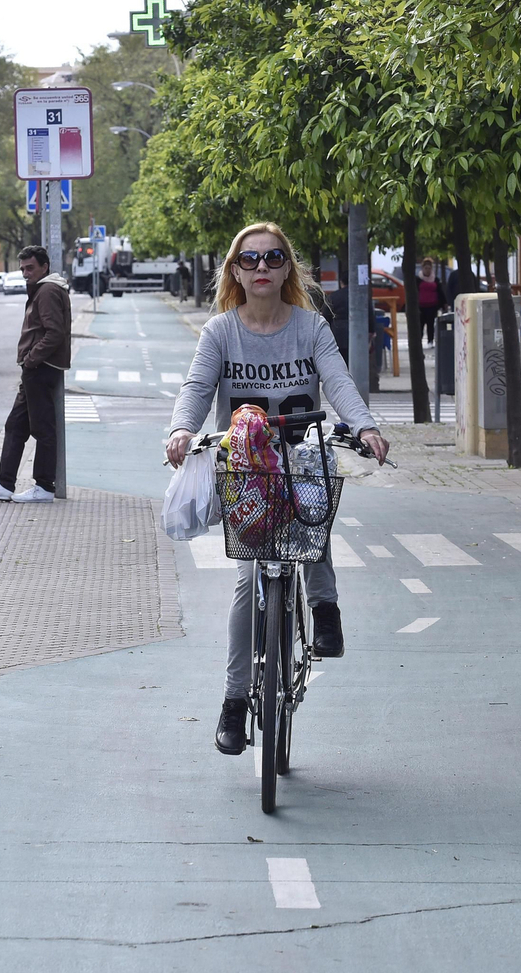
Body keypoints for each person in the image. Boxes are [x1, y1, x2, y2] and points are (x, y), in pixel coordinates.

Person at [166, 222, 389, 756]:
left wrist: (364, 426)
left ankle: (325, 605)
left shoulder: (310, 328)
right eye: (250, 260)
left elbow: (337, 381)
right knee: (247, 584)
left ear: (288, 267)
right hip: (245, 467)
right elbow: (197, 388)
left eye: (272, 258)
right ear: (235, 272)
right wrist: (181, 429)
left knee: (314, 505)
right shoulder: (220, 332)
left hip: (301, 456)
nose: (261, 268)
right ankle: (234, 703)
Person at [0, 247, 71, 504]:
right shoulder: (44, 289)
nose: (25, 273)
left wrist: (31, 360)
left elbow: (54, 333)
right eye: (23, 268)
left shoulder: (48, 291)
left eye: (30, 268)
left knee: (43, 428)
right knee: (15, 425)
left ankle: (44, 487)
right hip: (36, 368)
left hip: (41, 368)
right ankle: (4, 484)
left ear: (44, 267)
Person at [414, 257, 447, 345]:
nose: (427, 270)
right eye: (426, 268)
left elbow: (440, 291)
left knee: (430, 324)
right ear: (422, 268)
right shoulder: (418, 280)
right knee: (420, 325)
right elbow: (414, 292)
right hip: (421, 306)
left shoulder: (435, 280)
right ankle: (418, 342)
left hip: (432, 306)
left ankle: (430, 341)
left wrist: (444, 303)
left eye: (429, 268)